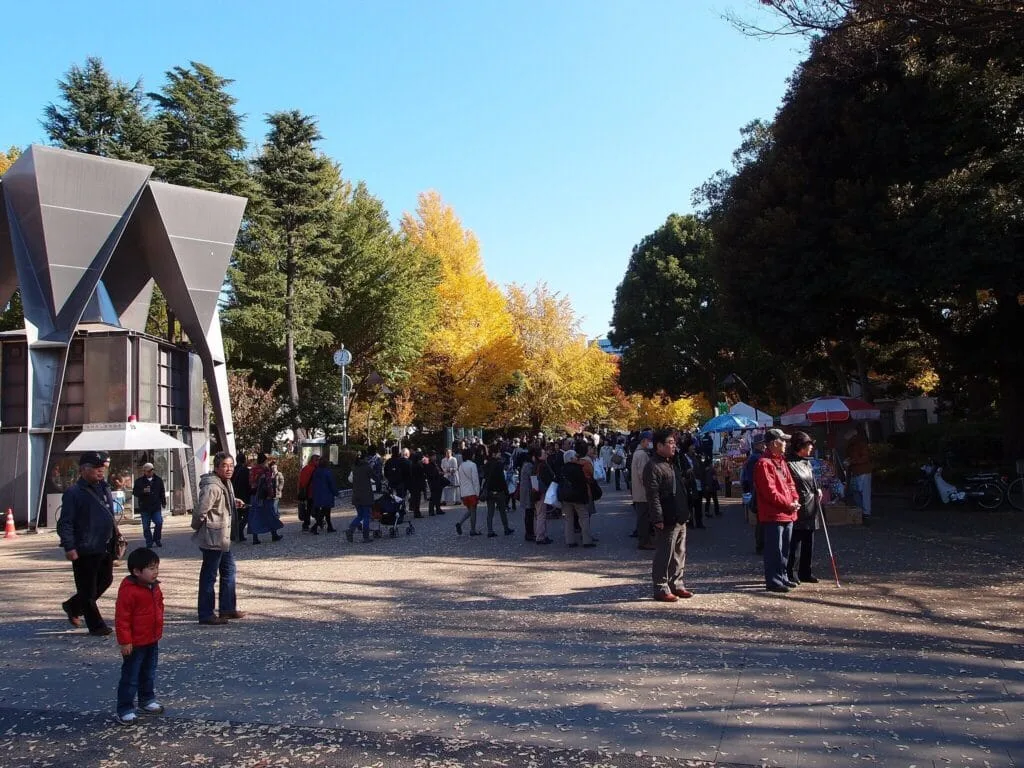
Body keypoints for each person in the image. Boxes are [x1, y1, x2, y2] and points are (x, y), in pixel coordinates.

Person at [58, 451, 117, 636]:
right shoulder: (74, 493)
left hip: (104, 545)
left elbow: (109, 514)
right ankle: (96, 626)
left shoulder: (104, 488)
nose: (100, 471)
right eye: (96, 468)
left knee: (106, 580)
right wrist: (69, 546)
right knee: (87, 589)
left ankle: (73, 606)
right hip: (85, 547)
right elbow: (65, 522)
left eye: (102, 468)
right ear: (83, 470)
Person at [192, 452, 245, 625]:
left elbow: (220, 504)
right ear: (216, 467)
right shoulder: (212, 486)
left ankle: (227, 608)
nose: (229, 469)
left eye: (231, 465)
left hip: (224, 538)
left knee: (229, 570)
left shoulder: (225, 483)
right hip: (213, 537)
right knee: (209, 575)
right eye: (224, 465)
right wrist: (198, 527)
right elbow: (201, 511)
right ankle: (206, 613)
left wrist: (233, 502)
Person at [114, 547, 165, 725]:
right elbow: (122, 618)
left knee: (148, 672)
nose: (155, 572)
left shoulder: (154, 587)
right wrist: (125, 641)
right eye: (151, 568)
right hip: (135, 642)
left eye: (156, 567)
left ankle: (147, 699)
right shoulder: (129, 591)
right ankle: (125, 708)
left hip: (151, 638)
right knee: (131, 676)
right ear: (137, 571)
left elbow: (159, 606)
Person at [644, 429, 693, 602]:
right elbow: (652, 495)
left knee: (679, 553)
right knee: (665, 554)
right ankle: (661, 587)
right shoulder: (653, 466)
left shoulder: (671, 463)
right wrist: (657, 518)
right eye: (670, 443)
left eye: (674, 443)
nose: (674, 446)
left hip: (679, 515)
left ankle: (676, 583)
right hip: (666, 517)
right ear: (659, 446)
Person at [754, 428, 801, 593]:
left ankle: (783, 576)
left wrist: (795, 499)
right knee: (775, 549)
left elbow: (790, 484)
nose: (786, 444)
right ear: (774, 443)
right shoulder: (764, 464)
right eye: (783, 441)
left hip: (787, 512)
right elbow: (769, 492)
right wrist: (789, 503)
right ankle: (774, 580)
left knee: (785, 549)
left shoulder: (781, 462)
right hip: (773, 514)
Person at [786, 431, 822, 584]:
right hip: (799, 505)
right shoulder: (788, 463)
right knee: (796, 542)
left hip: (811, 504)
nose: (811, 447)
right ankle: (791, 572)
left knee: (809, 541)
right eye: (809, 445)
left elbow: (813, 479)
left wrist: (817, 488)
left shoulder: (807, 462)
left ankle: (806, 571)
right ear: (800, 446)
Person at [558, 449, 595, 548]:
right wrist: (586, 496)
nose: (577, 457)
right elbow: (582, 483)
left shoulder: (562, 469)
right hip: (578, 496)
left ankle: (570, 540)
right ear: (571, 458)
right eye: (575, 456)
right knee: (584, 517)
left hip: (566, 496)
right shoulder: (578, 468)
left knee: (568, 519)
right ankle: (587, 540)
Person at [248, 454, 284, 544]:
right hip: (264, 497)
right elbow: (269, 483)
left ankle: (255, 538)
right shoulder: (265, 470)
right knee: (270, 515)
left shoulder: (252, 469)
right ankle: (274, 534)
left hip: (254, 496)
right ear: (264, 461)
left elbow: (251, 482)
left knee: (255, 516)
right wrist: (271, 494)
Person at [741, 436, 767, 554]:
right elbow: (753, 478)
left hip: (756, 490)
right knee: (761, 520)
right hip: (758, 491)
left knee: (761, 520)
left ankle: (760, 544)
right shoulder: (756, 458)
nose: (764, 446)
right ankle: (760, 545)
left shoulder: (755, 457)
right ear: (757, 445)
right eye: (762, 444)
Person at [482, 444, 514, 537]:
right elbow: (502, 479)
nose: (500, 454)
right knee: (502, 511)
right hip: (499, 490)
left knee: (490, 512)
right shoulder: (499, 464)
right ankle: (506, 529)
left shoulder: (487, 464)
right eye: (498, 452)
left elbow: (485, 477)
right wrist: (506, 490)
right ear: (494, 453)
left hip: (489, 490)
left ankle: (490, 531)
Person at [132, 462, 166, 549]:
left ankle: (157, 539)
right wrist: (143, 491)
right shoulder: (139, 481)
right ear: (144, 471)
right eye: (147, 471)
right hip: (145, 507)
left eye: (151, 471)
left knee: (159, 522)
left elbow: (162, 492)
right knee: (146, 526)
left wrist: (163, 502)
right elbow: (135, 492)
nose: (150, 473)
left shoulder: (158, 480)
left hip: (155, 507)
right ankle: (149, 542)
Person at [631, 430, 654, 550]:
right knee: (644, 518)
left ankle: (644, 540)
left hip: (639, 491)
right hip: (643, 492)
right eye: (649, 441)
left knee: (643, 517)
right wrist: (650, 488)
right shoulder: (641, 455)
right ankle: (644, 541)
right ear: (644, 441)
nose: (651, 443)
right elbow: (643, 475)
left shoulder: (639, 453)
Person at [846, 427, 873, 526]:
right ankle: (863, 512)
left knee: (863, 493)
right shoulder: (853, 445)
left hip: (862, 471)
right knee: (858, 492)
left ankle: (865, 513)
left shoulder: (859, 445)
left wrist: (852, 461)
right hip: (858, 471)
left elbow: (865, 458)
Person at [346, 452, 375, 543]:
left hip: (356, 495)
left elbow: (350, 479)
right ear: (365, 458)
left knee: (360, 515)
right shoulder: (367, 467)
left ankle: (350, 530)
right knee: (366, 516)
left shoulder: (354, 467)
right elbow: (374, 478)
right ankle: (365, 536)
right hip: (366, 495)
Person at [309, 458, 339, 534]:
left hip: (318, 494)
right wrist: (336, 492)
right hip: (327, 494)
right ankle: (315, 527)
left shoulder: (316, 472)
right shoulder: (327, 472)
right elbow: (331, 484)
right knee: (325, 511)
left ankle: (329, 526)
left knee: (326, 511)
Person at [455, 452, 481, 536]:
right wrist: (477, 493)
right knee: (473, 512)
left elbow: (460, 480)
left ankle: (460, 523)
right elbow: (475, 480)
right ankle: (472, 530)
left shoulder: (461, 466)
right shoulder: (473, 465)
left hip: (464, 492)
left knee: (470, 511)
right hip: (472, 491)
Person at [230, 452, 252, 541]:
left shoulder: (233, 470)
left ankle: (236, 534)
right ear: (244, 460)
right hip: (245, 496)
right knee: (247, 515)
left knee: (237, 516)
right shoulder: (246, 470)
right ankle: (239, 532)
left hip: (234, 496)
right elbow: (249, 484)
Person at [519, 446, 538, 541]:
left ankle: (529, 532)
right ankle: (529, 533)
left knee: (528, 513)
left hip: (525, 490)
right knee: (529, 513)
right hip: (528, 491)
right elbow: (533, 478)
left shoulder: (525, 464)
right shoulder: (529, 466)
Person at [297, 454, 319, 532]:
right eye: (317, 460)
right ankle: (319, 521)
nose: (318, 462)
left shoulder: (305, 468)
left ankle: (306, 524)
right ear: (313, 461)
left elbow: (301, 481)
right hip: (313, 492)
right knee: (315, 508)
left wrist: (300, 489)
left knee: (308, 508)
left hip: (306, 492)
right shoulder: (315, 469)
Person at [424, 451, 446, 517]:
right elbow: (430, 474)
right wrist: (438, 473)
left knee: (438, 496)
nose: (435, 457)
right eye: (433, 456)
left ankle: (438, 509)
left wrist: (442, 472)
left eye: (435, 456)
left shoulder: (436, 463)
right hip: (433, 482)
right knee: (433, 497)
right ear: (430, 457)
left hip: (439, 481)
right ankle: (431, 511)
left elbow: (440, 470)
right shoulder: (429, 465)